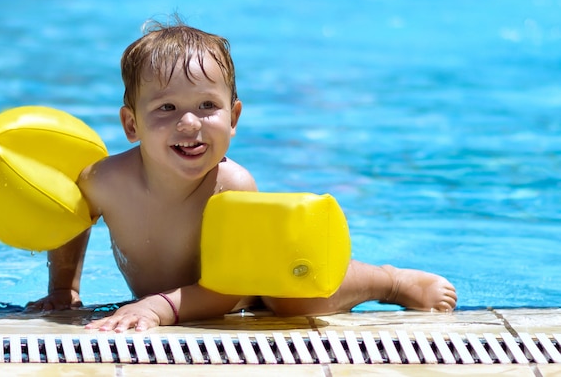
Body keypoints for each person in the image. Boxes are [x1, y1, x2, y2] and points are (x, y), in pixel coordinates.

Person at [26, 18, 457, 332]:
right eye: (166, 109)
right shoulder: (104, 179)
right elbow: (71, 223)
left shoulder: (231, 186)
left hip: (249, 279)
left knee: (294, 298)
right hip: (187, 296)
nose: (190, 124)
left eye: (207, 107)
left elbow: (232, 289)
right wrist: (64, 289)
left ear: (234, 117)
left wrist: (159, 307)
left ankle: (390, 280)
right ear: (131, 125)